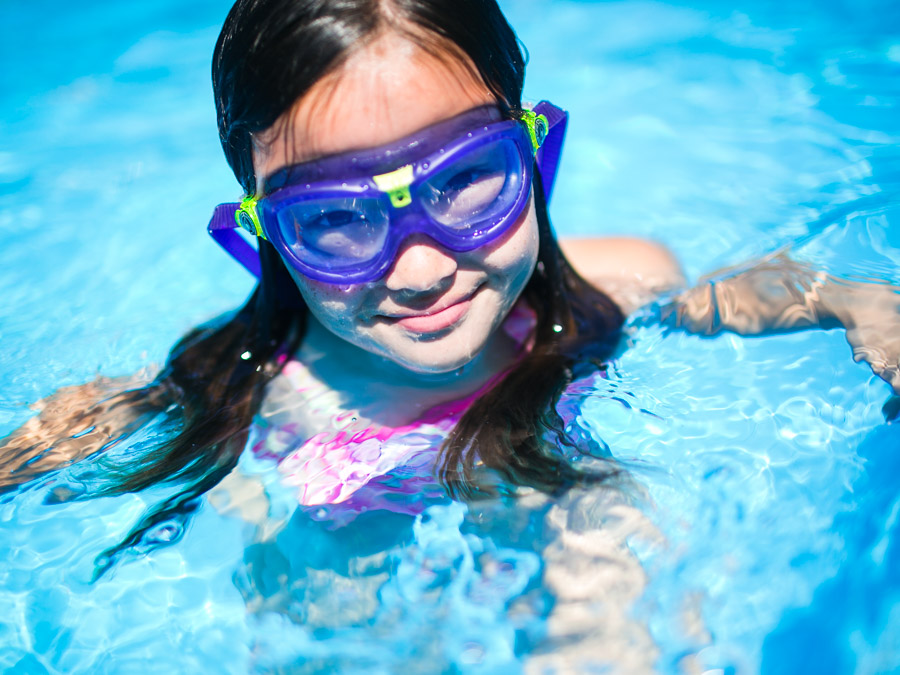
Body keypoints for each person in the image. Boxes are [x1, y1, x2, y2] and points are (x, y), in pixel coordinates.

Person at [1, 0, 898, 554]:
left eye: (468, 176)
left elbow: (719, 294)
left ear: (535, 154)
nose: (424, 269)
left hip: (568, 566)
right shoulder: (249, 386)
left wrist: (851, 300)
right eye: (334, 217)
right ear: (264, 234)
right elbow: (92, 420)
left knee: (602, 516)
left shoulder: (616, 281)